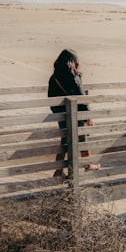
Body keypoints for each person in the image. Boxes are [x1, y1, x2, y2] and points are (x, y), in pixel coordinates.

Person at [47, 48, 97, 177]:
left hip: (62, 115)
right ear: (73, 61)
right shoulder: (74, 76)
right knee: (82, 137)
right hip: (76, 113)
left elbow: (50, 97)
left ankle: (58, 170)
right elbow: (81, 97)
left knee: (65, 140)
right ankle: (88, 165)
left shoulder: (54, 78)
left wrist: (59, 113)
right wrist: (87, 115)